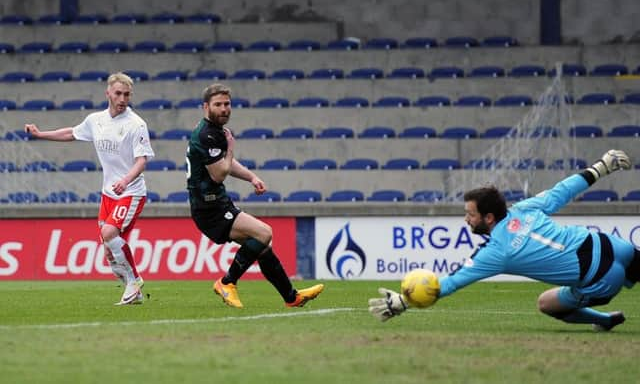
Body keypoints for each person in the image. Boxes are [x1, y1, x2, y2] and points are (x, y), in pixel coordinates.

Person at [369, 150, 637, 331]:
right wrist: (601, 167)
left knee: (546, 303)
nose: (466, 220)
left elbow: (450, 283)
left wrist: (404, 302)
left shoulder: (496, 252)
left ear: (487, 218)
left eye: (469, 215)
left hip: (600, 280)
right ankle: (605, 318)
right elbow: (562, 191)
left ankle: (603, 320)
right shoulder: (523, 209)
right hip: (612, 245)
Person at [186, 83, 324, 308]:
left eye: (227, 104)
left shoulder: (214, 131)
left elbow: (224, 164)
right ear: (205, 107)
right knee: (264, 233)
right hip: (209, 208)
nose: (224, 109)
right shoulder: (207, 135)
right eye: (218, 104)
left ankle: (292, 297)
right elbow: (219, 173)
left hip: (215, 204)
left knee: (263, 248)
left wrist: (251, 177)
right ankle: (226, 282)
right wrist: (231, 148)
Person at [25, 72, 154, 305]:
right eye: (118, 93)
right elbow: (71, 133)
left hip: (131, 191)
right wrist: (40, 134)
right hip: (108, 194)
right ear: (108, 93)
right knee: (109, 250)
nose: (123, 98)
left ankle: (134, 280)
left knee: (109, 234)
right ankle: (133, 293)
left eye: (127, 94)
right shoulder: (96, 120)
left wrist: (125, 180)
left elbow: (142, 160)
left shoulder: (137, 124)